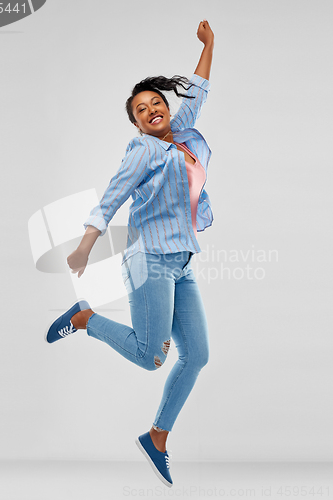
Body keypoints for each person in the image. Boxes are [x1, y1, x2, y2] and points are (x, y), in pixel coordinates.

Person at [45, 20, 215, 488]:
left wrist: (209, 45)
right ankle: (84, 319)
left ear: (166, 109)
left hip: (180, 262)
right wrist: (84, 246)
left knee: (196, 355)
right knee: (150, 355)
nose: (153, 110)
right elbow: (112, 196)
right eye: (142, 109)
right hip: (149, 260)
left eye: (157, 102)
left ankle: (156, 437)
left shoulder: (180, 137)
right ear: (136, 122)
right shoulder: (142, 150)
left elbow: (197, 91)